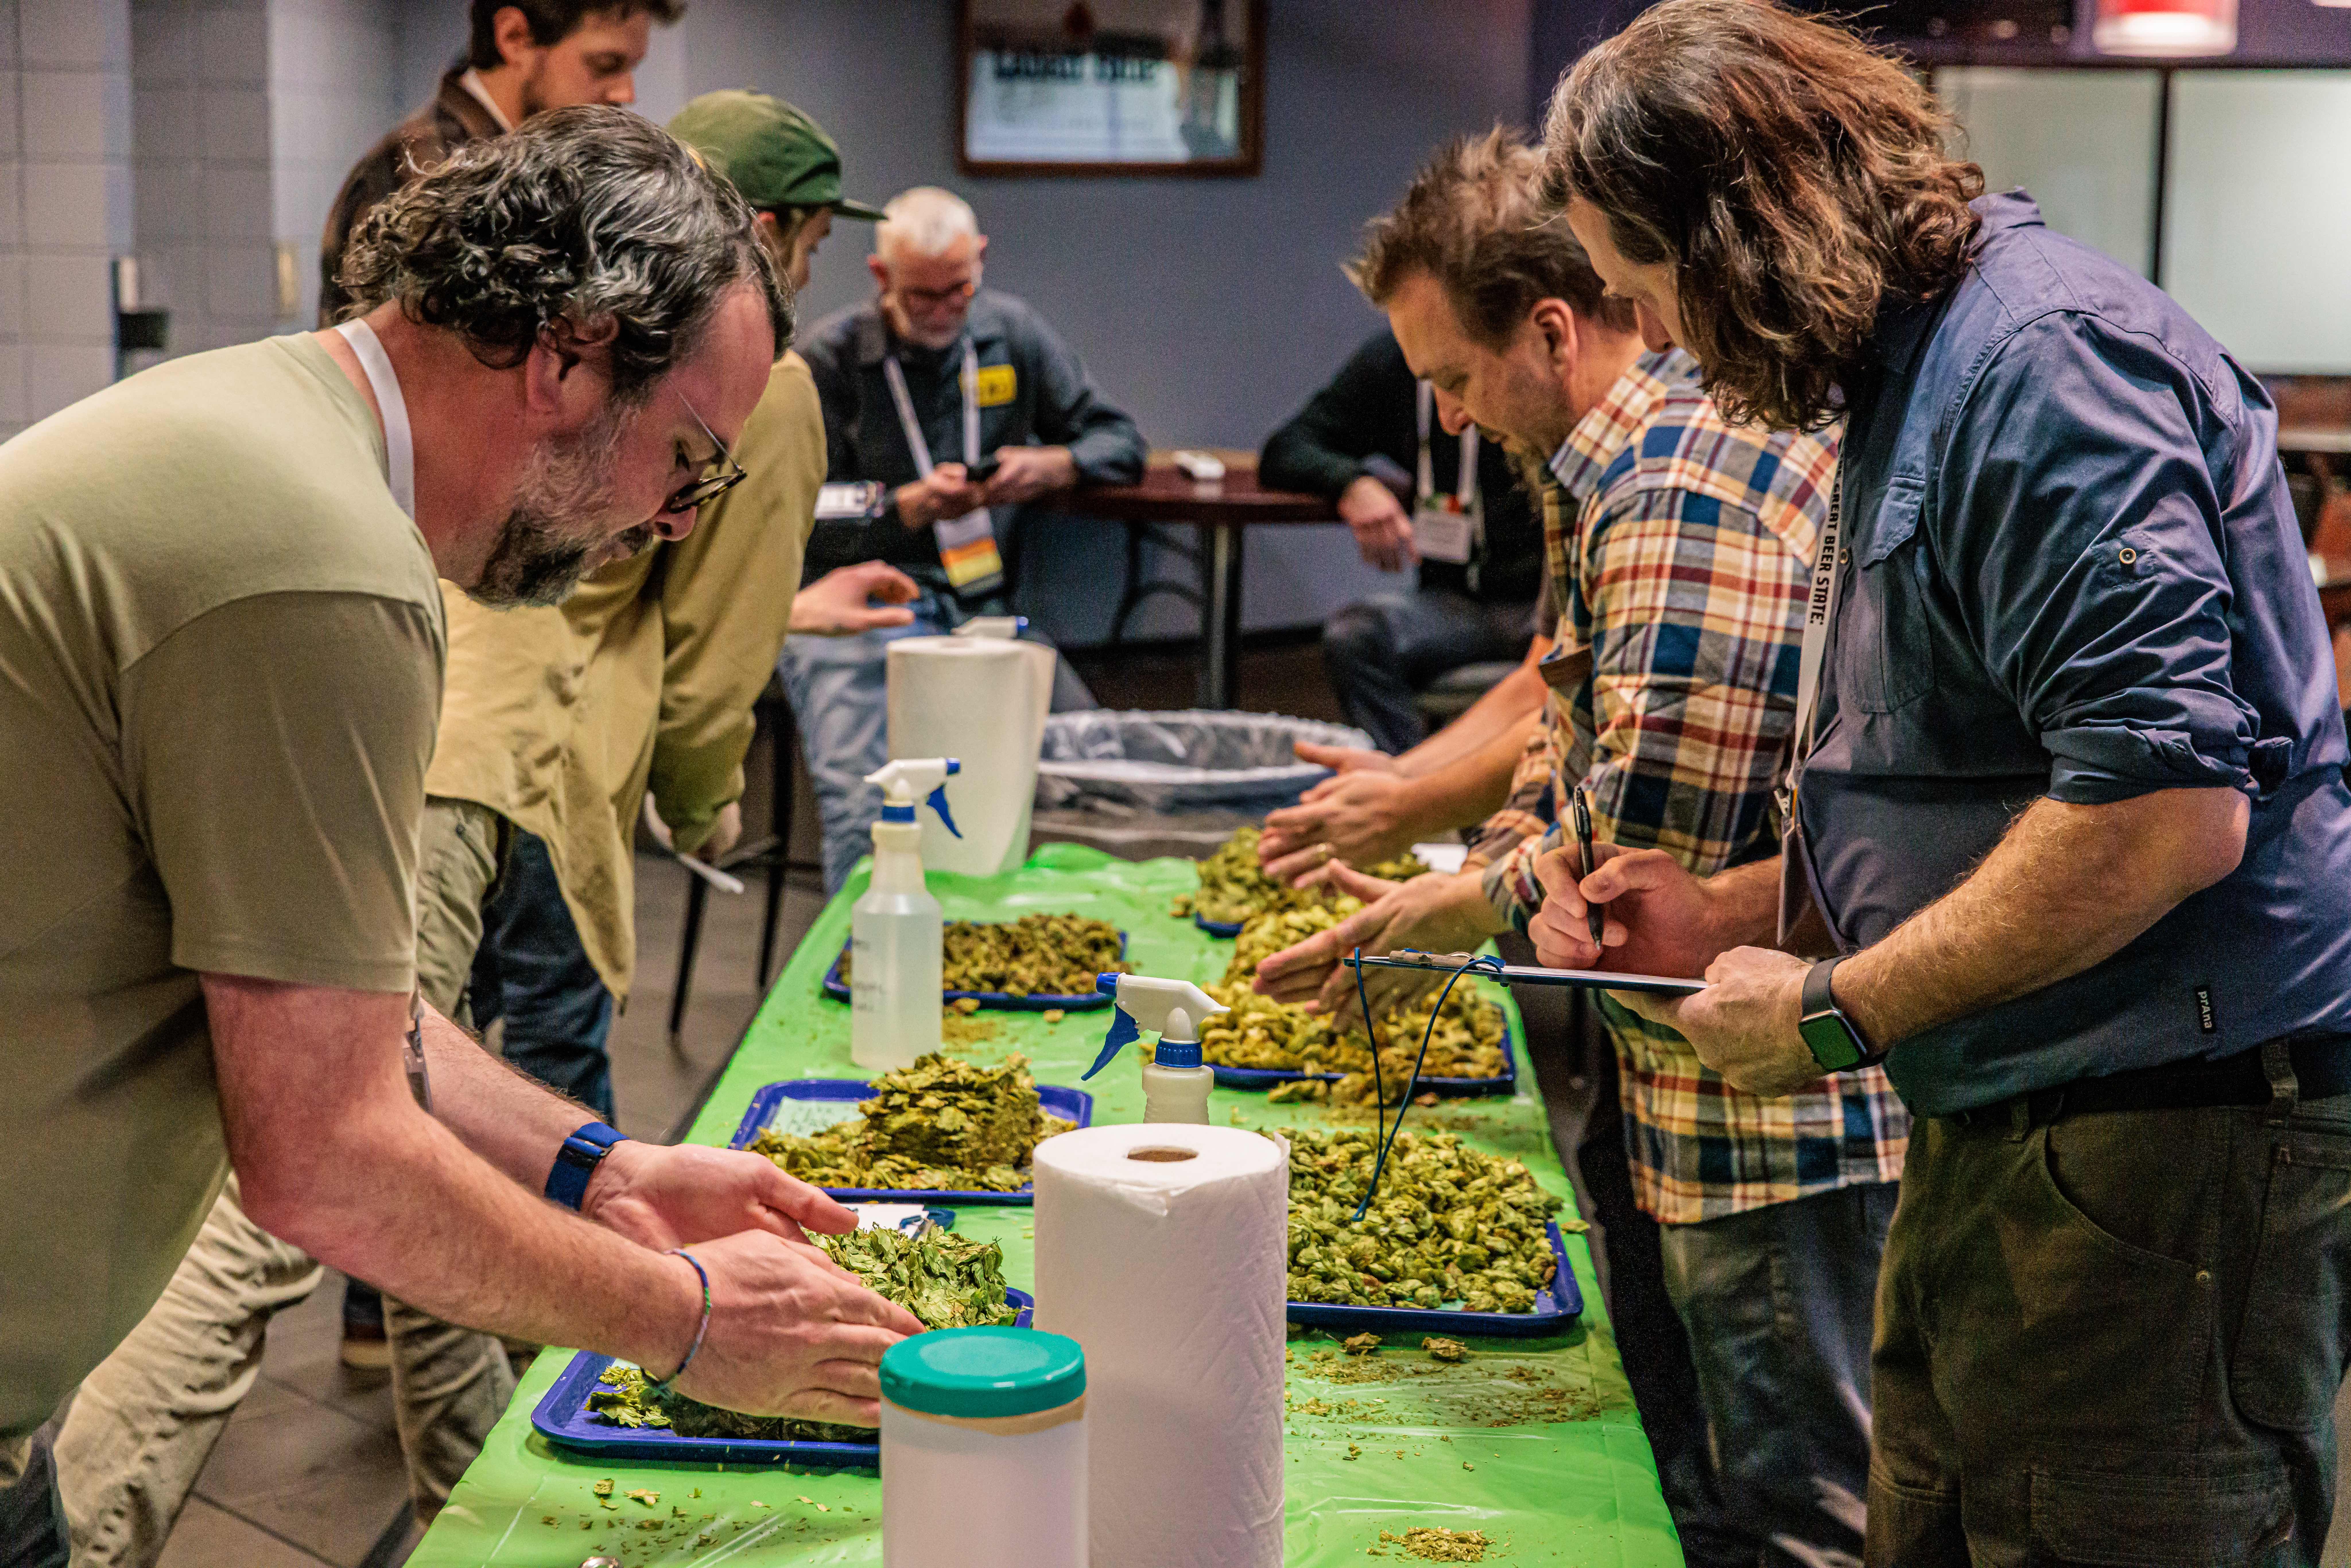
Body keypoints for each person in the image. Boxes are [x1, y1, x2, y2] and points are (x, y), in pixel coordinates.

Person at [0, 110, 923, 1565]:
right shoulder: (319, 567)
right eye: (687, 459)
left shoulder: (280, 439)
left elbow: (350, 1024)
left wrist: (598, 1167)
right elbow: (323, 1155)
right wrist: (687, 1322)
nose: (678, 523)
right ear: (564, 355)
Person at [1540, 4, 2351, 1562]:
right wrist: (1740, 908)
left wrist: (1839, 1007)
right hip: (2013, 1110)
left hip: (2163, 1143)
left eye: (1657, 298)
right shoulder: (1906, 374)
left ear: (1737, 235)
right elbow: (1975, 769)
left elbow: (2164, 810)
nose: (1678, 354)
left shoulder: (2039, 363)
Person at [1256, 130, 1908, 1568]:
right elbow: (1564, 744)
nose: (1456, 416)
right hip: (1690, 1092)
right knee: (1693, 1479)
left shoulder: (1672, 486)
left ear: (1552, 327)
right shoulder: (1602, 472)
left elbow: (1632, 879)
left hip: (1769, 1128)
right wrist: (1465, 876)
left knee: (1790, 1516)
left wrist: (1433, 919)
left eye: (1453, 381)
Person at [788, 185, 1148, 894]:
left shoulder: (1010, 333)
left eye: (960, 289)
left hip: (980, 604)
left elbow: (1120, 441)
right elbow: (799, 507)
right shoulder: (830, 359)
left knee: (1105, 766)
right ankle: (861, 963)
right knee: (876, 802)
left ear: (980, 261)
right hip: (859, 606)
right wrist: (902, 507)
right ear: (880, 277)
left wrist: (1052, 463)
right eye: (924, 297)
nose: (946, 310)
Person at [1261, 326, 1546, 754]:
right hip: (1457, 604)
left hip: (1546, 601)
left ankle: (1508, 803)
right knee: (1356, 636)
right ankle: (1405, 786)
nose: (1454, 415)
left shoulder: (1525, 355)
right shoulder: (1399, 357)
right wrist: (1351, 483)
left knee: (1573, 650)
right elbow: (1289, 446)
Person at [318, 0, 685, 324]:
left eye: (631, 68)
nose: (627, 93)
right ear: (514, 38)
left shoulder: (538, 167)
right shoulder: (425, 176)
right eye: (605, 64)